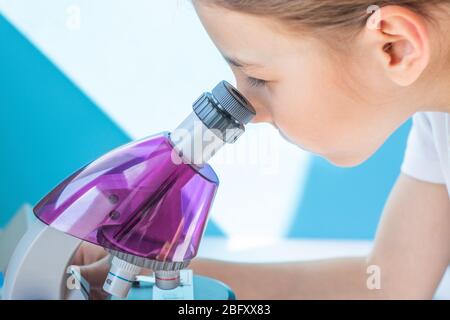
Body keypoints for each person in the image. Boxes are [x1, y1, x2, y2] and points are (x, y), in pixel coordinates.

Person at [73, 0, 450, 299]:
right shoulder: (438, 116)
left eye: (258, 77)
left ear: (394, 47)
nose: (248, 113)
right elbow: (387, 286)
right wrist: (160, 280)